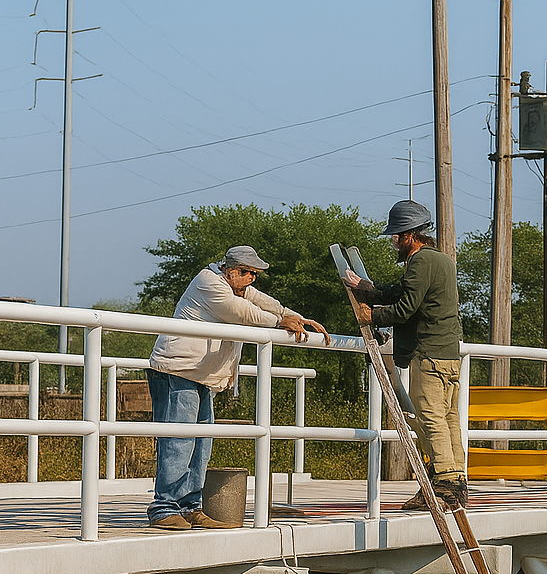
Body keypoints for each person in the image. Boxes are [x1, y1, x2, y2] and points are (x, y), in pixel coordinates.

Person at [145, 246, 327, 530]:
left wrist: (297, 318)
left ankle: (190, 506)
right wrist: (281, 322)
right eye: (246, 272)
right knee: (178, 441)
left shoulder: (237, 287)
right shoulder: (209, 282)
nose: (251, 278)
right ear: (230, 270)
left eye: (254, 273)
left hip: (200, 374)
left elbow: (268, 305)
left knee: (201, 444)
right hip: (176, 369)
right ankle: (164, 507)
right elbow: (239, 313)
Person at [342, 199, 466, 509]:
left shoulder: (420, 261)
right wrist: (373, 290)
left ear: (409, 235)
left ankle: (444, 486)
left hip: (429, 353)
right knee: (448, 417)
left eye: (396, 236)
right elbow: (406, 290)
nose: (394, 242)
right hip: (449, 353)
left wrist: (373, 315)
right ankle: (456, 480)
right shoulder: (442, 260)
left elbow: (407, 308)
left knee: (430, 417)